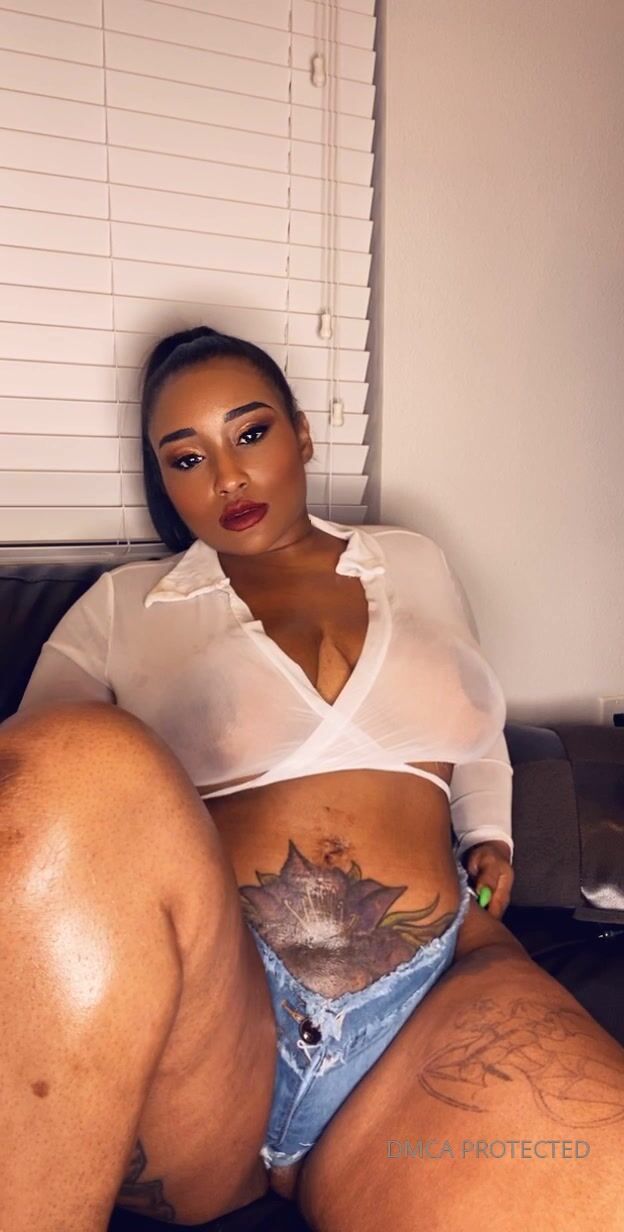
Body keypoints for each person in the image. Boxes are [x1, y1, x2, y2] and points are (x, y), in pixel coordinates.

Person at [2, 327, 622, 1232]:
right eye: (187, 458)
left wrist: (491, 831)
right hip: (215, 1028)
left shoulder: (412, 561)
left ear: (300, 433)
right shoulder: (123, 608)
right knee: (70, 755)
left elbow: (474, 719)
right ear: (165, 480)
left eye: (250, 434)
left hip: (434, 999)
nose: (227, 478)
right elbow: (34, 818)